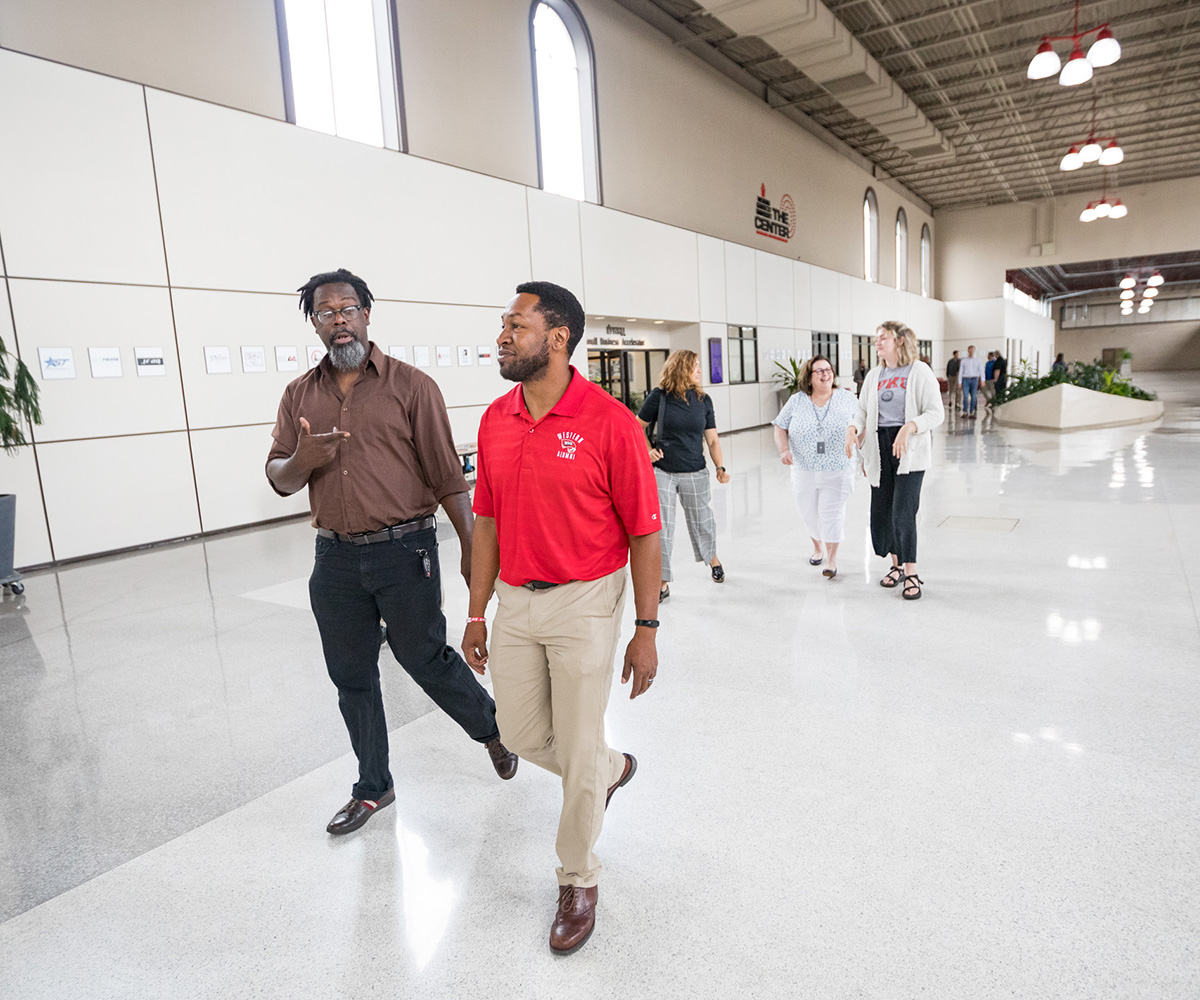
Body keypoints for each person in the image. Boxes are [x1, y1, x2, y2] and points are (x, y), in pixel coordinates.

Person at [266, 268, 517, 837]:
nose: (338, 321)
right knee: (351, 675)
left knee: (424, 658)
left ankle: (492, 730)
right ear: (315, 324)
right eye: (325, 313)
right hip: (333, 561)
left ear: (367, 314)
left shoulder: (412, 386)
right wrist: (304, 459)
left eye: (347, 309)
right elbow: (280, 477)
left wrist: (473, 545)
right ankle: (373, 786)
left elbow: (446, 474)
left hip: (406, 550)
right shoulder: (298, 395)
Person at [461, 281, 661, 955]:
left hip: (586, 599)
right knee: (519, 734)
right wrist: (476, 612)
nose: (502, 336)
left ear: (557, 338)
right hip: (514, 598)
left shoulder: (610, 422)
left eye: (515, 325)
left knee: (575, 743)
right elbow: (484, 521)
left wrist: (647, 629)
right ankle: (606, 770)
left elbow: (645, 532)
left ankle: (578, 878)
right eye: (502, 325)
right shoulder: (495, 419)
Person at [847, 321, 944, 601]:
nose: (877, 343)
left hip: (909, 451)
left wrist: (910, 426)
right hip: (880, 448)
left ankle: (911, 572)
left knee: (903, 512)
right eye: (876, 338)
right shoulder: (875, 374)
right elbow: (862, 410)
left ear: (899, 341)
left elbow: (936, 413)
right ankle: (896, 566)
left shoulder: (919, 371)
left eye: (883, 338)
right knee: (883, 512)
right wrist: (853, 428)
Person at [636, 350, 729, 601]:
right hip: (664, 471)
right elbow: (637, 426)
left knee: (702, 520)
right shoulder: (660, 397)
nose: (699, 370)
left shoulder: (704, 400)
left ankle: (713, 560)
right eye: (695, 366)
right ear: (682, 368)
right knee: (662, 528)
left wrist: (720, 467)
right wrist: (648, 451)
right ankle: (662, 582)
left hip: (695, 470)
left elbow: (712, 439)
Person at [772, 355, 858, 579]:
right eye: (819, 371)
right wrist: (783, 450)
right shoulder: (797, 400)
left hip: (838, 467)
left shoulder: (846, 398)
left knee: (832, 512)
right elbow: (779, 426)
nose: (825, 374)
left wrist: (857, 443)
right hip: (803, 468)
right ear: (808, 377)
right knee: (808, 512)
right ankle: (818, 546)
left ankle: (831, 559)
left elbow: (860, 422)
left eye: (828, 370)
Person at [958, 344, 985, 418]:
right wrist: (959, 382)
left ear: (974, 351)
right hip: (966, 379)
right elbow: (961, 371)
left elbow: (981, 370)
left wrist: (982, 380)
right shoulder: (964, 360)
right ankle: (965, 411)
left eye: (973, 350)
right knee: (965, 396)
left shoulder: (978, 360)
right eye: (970, 350)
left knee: (973, 396)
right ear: (968, 350)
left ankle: (972, 412)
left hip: (974, 379)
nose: (971, 351)